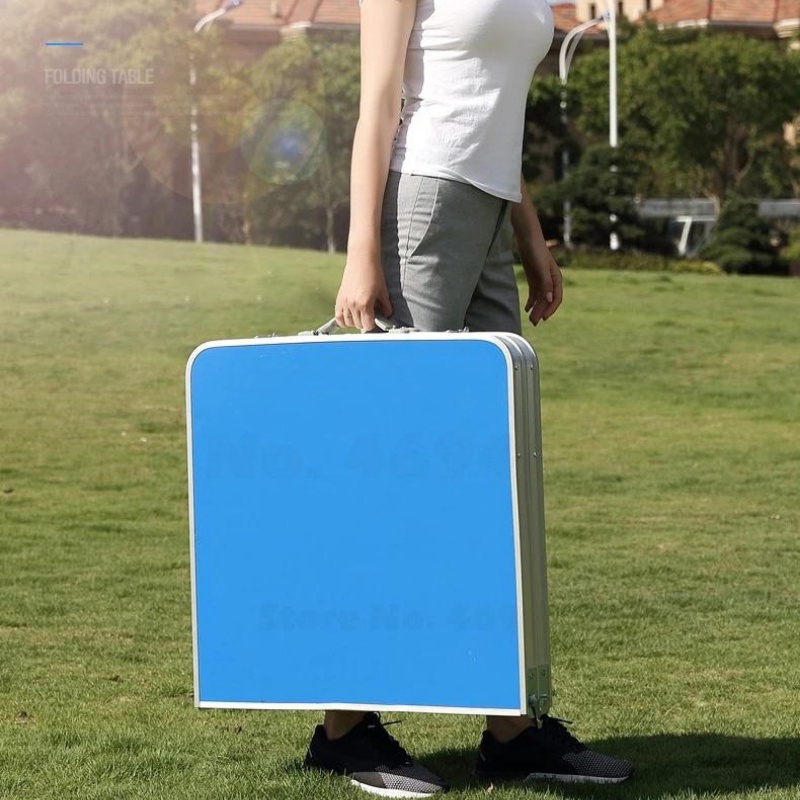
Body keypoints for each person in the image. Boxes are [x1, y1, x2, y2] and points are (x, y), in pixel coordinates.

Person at [303, 0, 634, 795]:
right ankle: (343, 729)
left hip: (484, 212)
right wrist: (359, 253)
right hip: (420, 202)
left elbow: (495, 110)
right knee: (400, 473)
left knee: (491, 478)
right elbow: (379, 101)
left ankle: (510, 730)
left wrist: (529, 234)